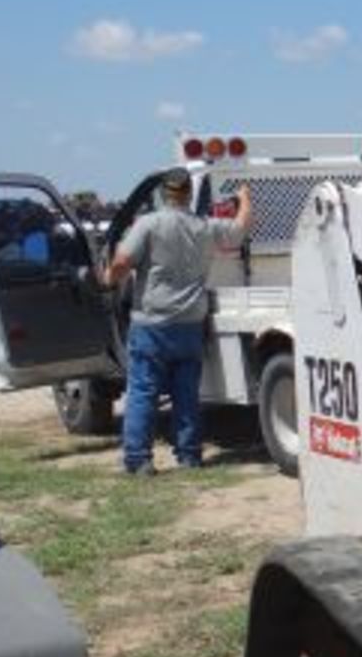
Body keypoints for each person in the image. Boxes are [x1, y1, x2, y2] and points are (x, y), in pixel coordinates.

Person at [103, 170, 251, 474]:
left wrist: (107, 279)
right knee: (187, 394)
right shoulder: (204, 227)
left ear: (164, 194)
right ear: (188, 194)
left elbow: (121, 262)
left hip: (152, 324)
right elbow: (240, 229)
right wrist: (245, 198)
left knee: (144, 392)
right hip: (190, 325)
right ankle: (189, 456)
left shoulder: (149, 224)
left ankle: (138, 459)